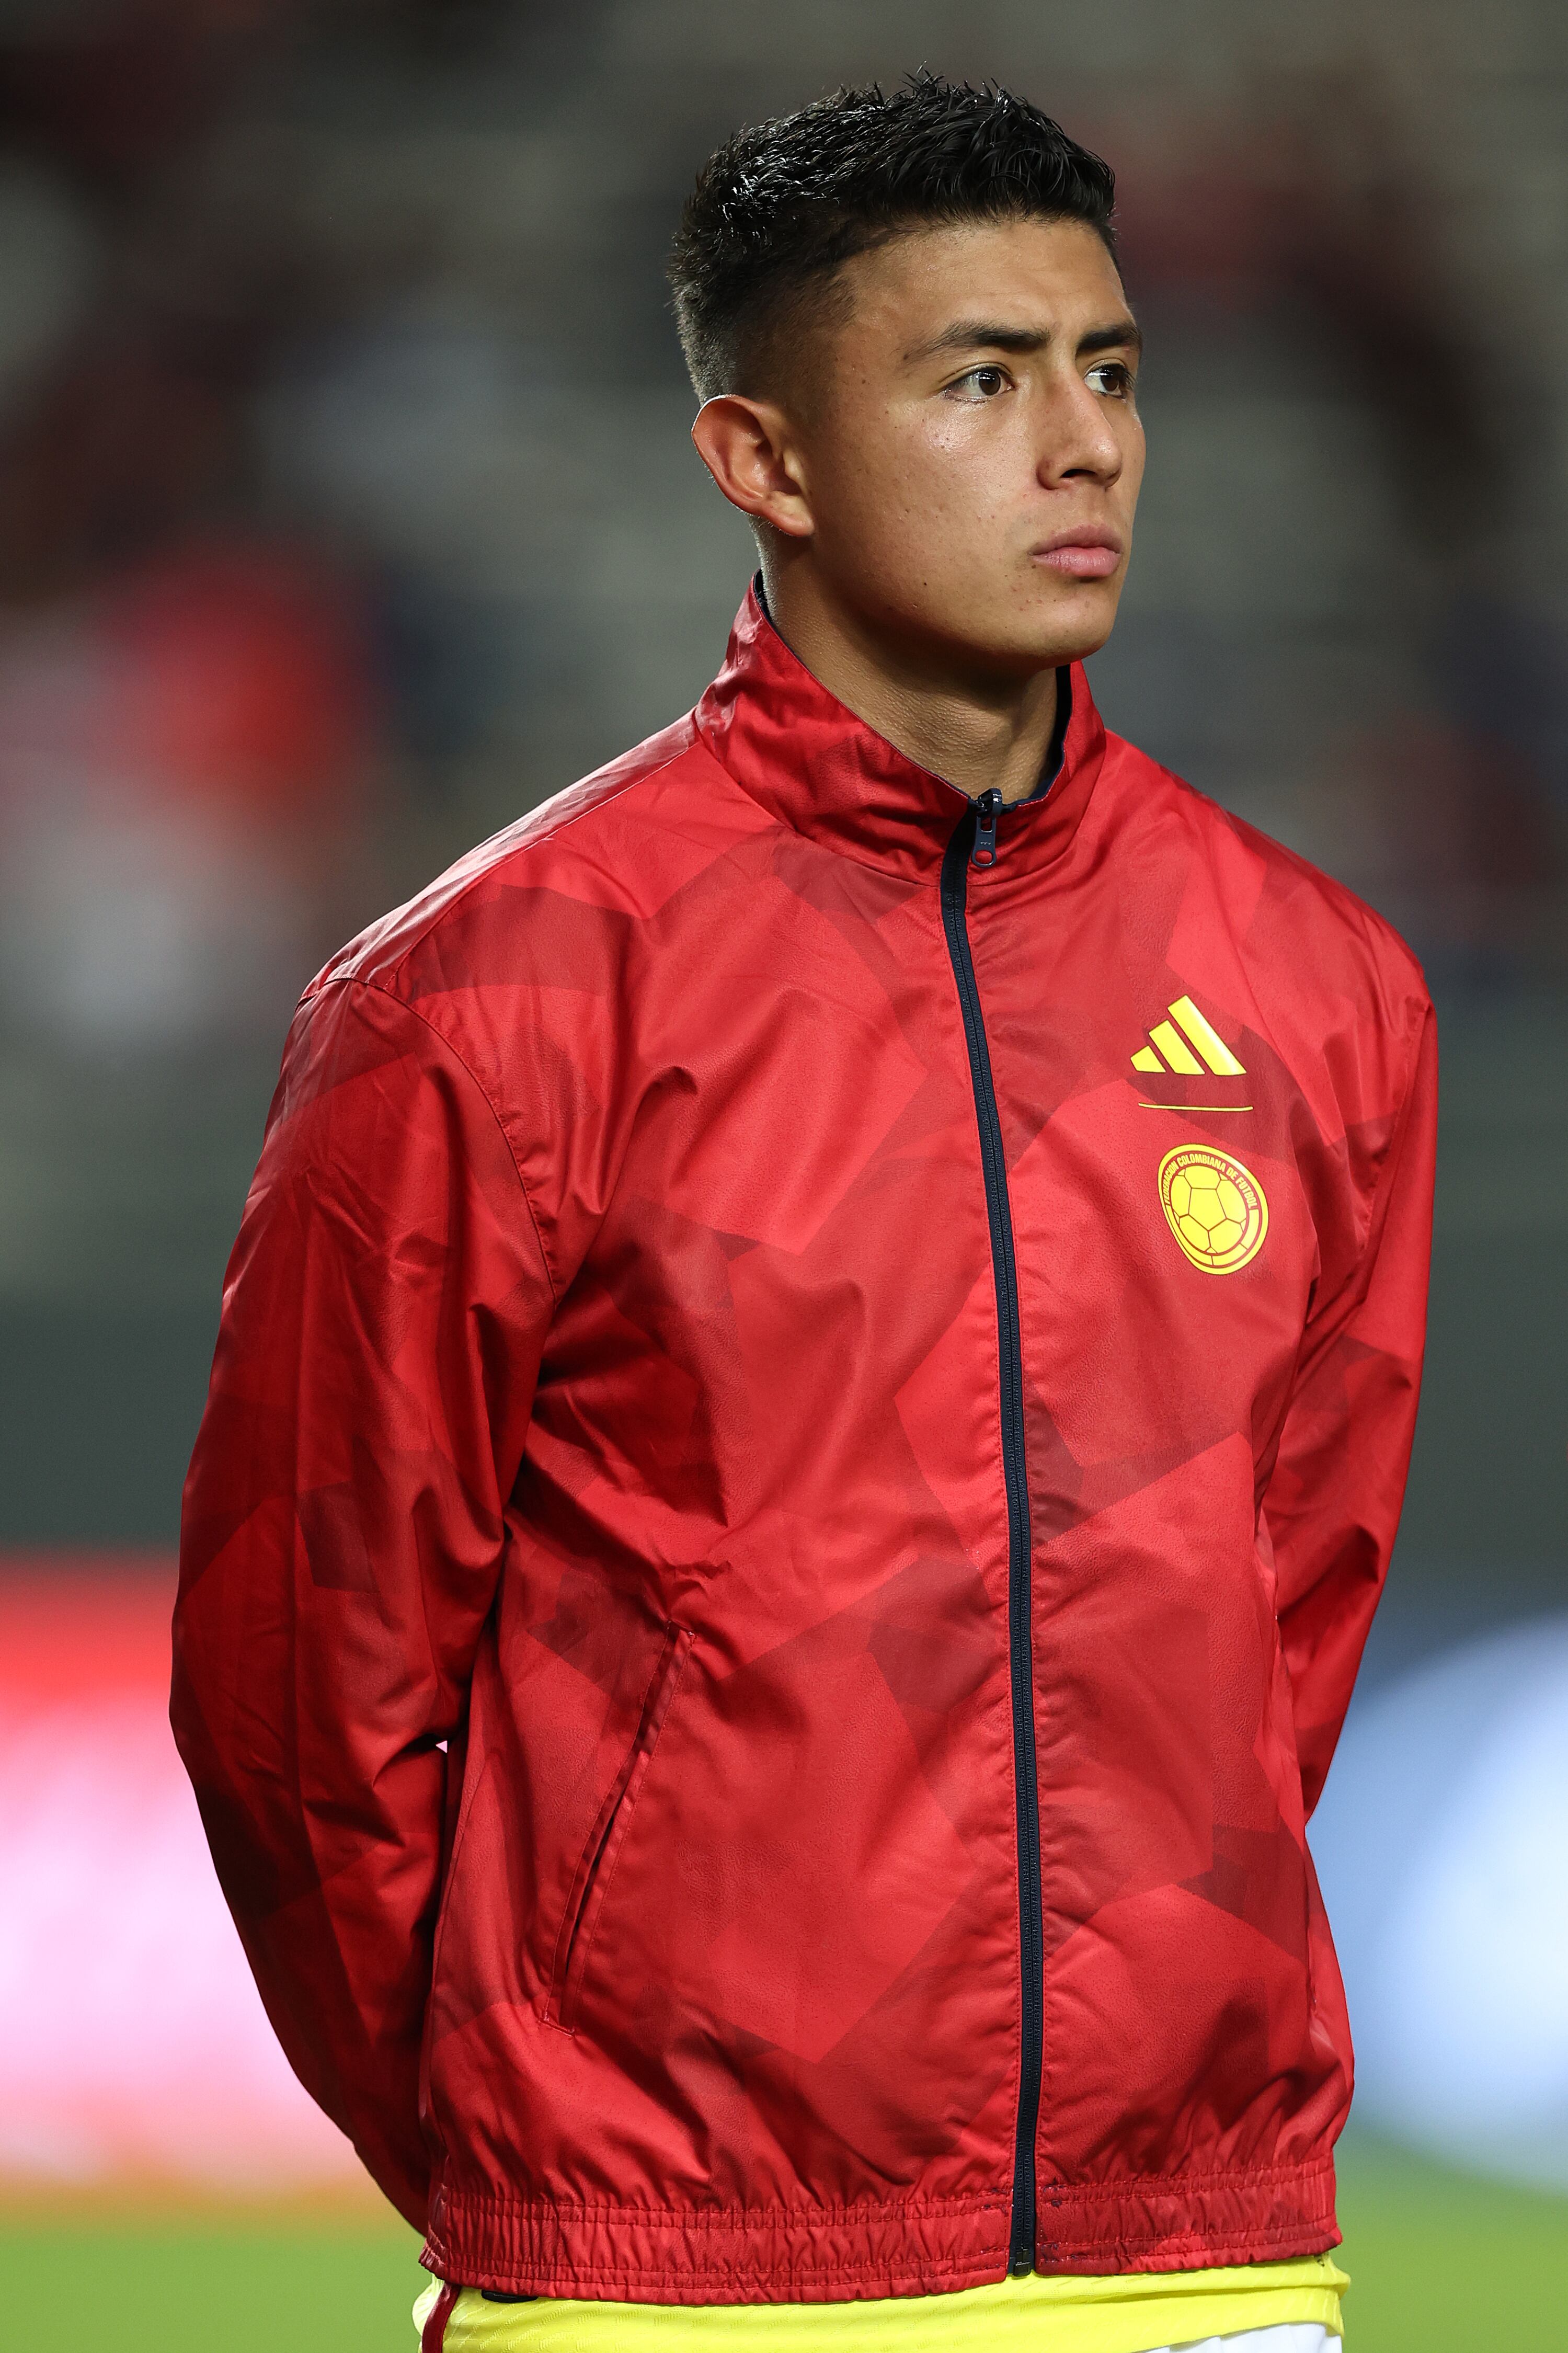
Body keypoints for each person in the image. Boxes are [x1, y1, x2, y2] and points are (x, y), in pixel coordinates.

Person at [171, 73, 1437, 2353]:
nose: (1086, 445)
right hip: (665, 2280)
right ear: (760, 461)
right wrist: (544, 2149)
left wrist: (1158, 2019)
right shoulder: (484, 991)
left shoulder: (1318, 987)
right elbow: (304, 1691)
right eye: (980, 377)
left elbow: (1290, 1622)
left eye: (1111, 369)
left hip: (1208, 2263)